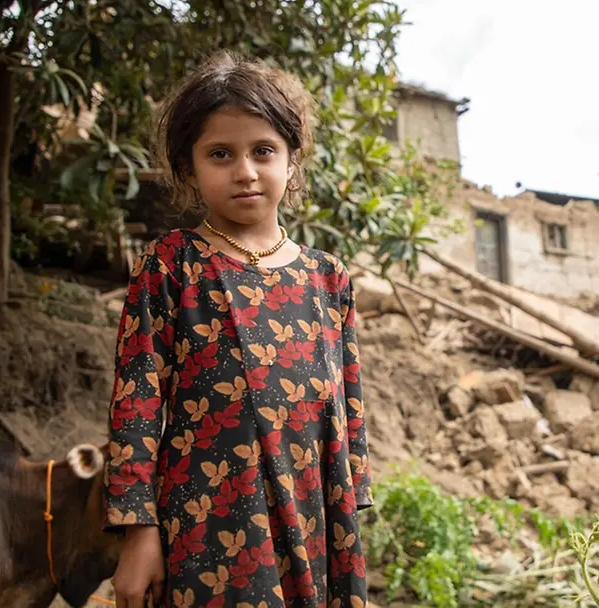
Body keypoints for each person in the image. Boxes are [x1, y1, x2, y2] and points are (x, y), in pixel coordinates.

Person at [104, 50, 373, 608]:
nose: (245, 171)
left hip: (314, 518)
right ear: (188, 168)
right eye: (220, 154)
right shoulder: (170, 266)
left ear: (292, 162)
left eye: (263, 151)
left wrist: (348, 511)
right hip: (207, 523)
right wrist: (139, 530)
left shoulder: (327, 277)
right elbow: (137, 403)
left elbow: (347, 407)